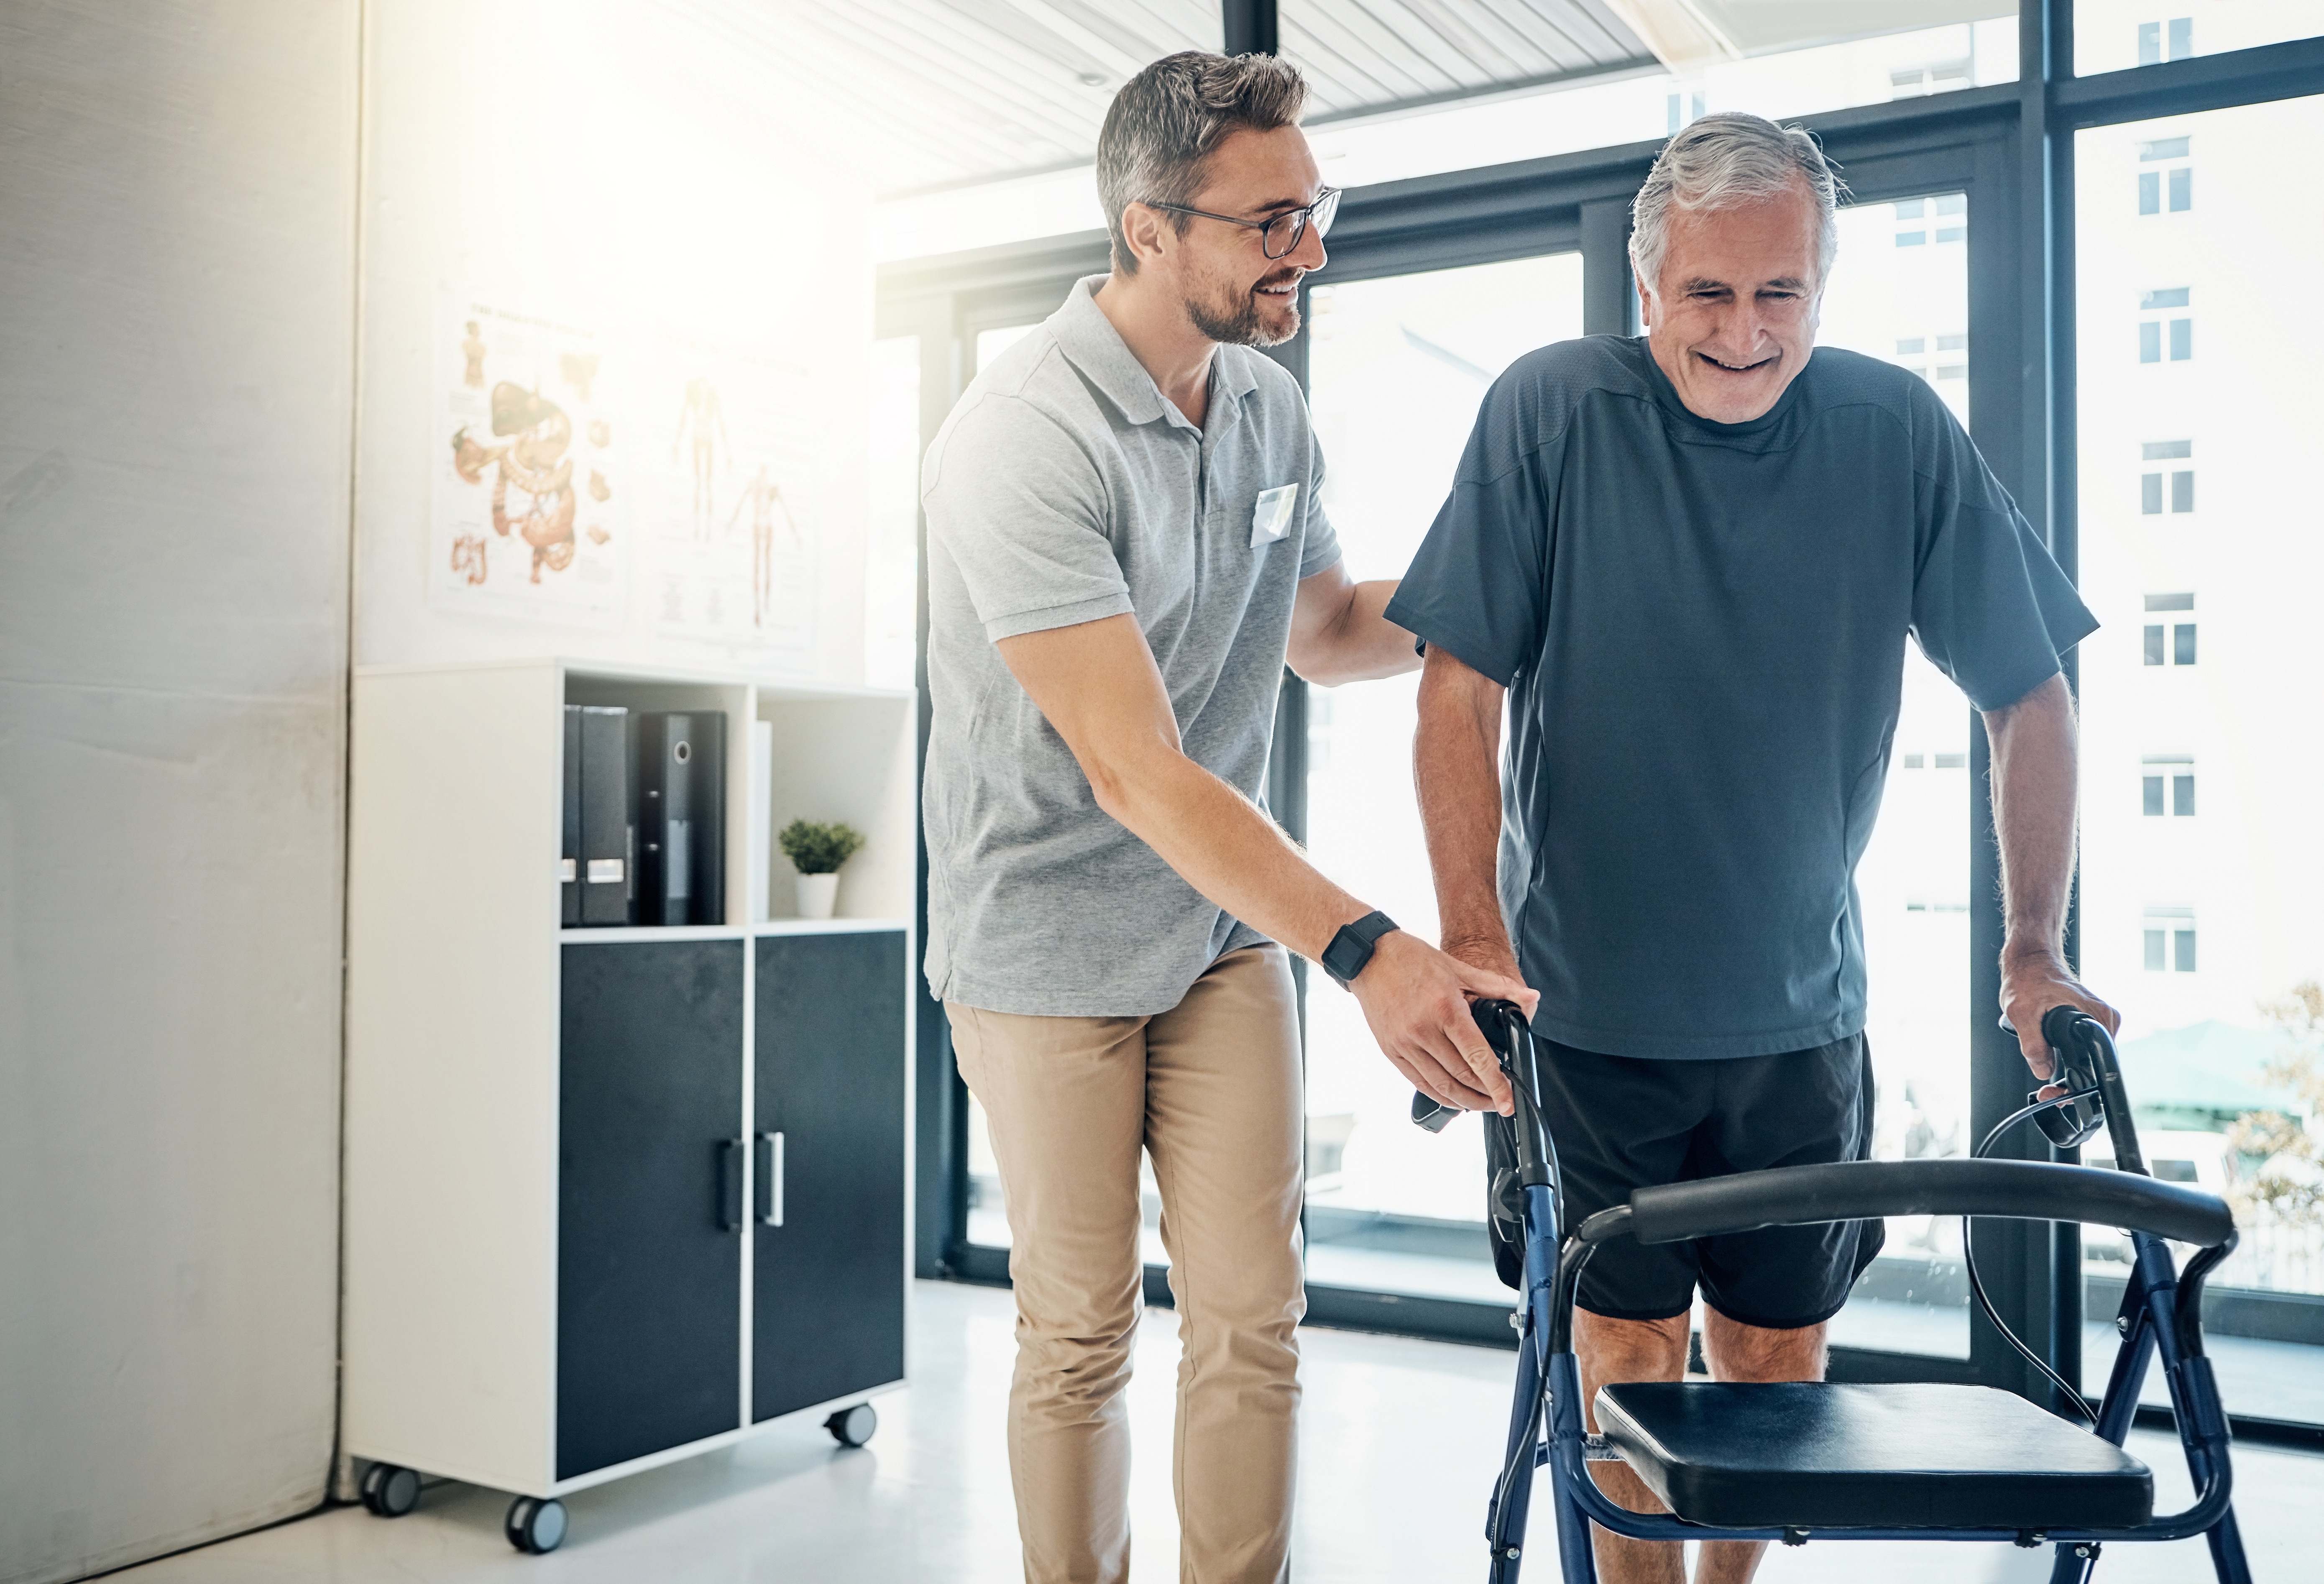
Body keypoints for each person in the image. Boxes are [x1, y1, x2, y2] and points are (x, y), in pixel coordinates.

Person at [1390, 112, 2118, 1584]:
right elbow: (1455, 687)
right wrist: (1469, 931)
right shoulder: (1551, 411)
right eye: (1708, 294)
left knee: (1776, 1364)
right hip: (1581, 1018)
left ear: (1822, 289)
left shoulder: (1893, 429)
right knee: (1625, 1356)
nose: (1743, 332)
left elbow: (2031, 689)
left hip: (1800, 1017)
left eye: (1778, 292)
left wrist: (2034, 947)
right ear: (1648, 287)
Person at [919, 50, 1529, 1584]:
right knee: (1079, 1328)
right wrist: (1370, 946)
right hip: (1043, 942)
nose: (1307, 250)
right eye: (1271, 223)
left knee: (1255, 1311)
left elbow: (1322, 629)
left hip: (1212, 931)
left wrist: (1511, 594)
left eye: (1314, 212)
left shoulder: (1265, 409)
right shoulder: (1020, 440)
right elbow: (1134, 771)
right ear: (1148, 229)